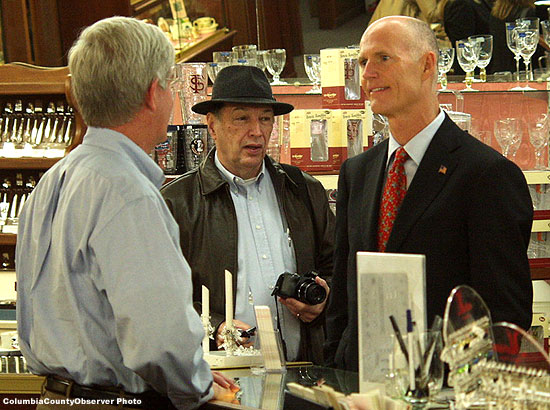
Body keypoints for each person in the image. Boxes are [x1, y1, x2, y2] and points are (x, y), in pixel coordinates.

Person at [15, 16, 238, 410]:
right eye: (169, 85)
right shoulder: (128, 193)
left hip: (55, 395)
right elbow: (159, 338)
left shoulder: (51, 181)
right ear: (154, 93)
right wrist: (199, 384)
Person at [324, 16, 533, 372]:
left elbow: (504, 315)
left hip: (445, 389)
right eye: (362, 62)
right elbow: (343, 293)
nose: (368, 73)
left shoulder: (486, 175)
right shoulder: (357, 172)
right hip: (360, 384)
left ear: (427, 65)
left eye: (383, 58)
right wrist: (336, 369)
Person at [161, 65, 335, 364]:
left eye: (265, 119)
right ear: (212, 126)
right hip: (223, 375)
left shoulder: (304, 190)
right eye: (242, 118)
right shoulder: (177, 202)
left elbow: (337, 265)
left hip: (302, 369)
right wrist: (215, 326)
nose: (256, 131)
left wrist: (323, 300)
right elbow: (161, 296)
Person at [489, 0, 546, 75]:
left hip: (499, 68)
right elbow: (533, 42)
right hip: (524, 70)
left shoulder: (496, 12)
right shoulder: (529, 12)